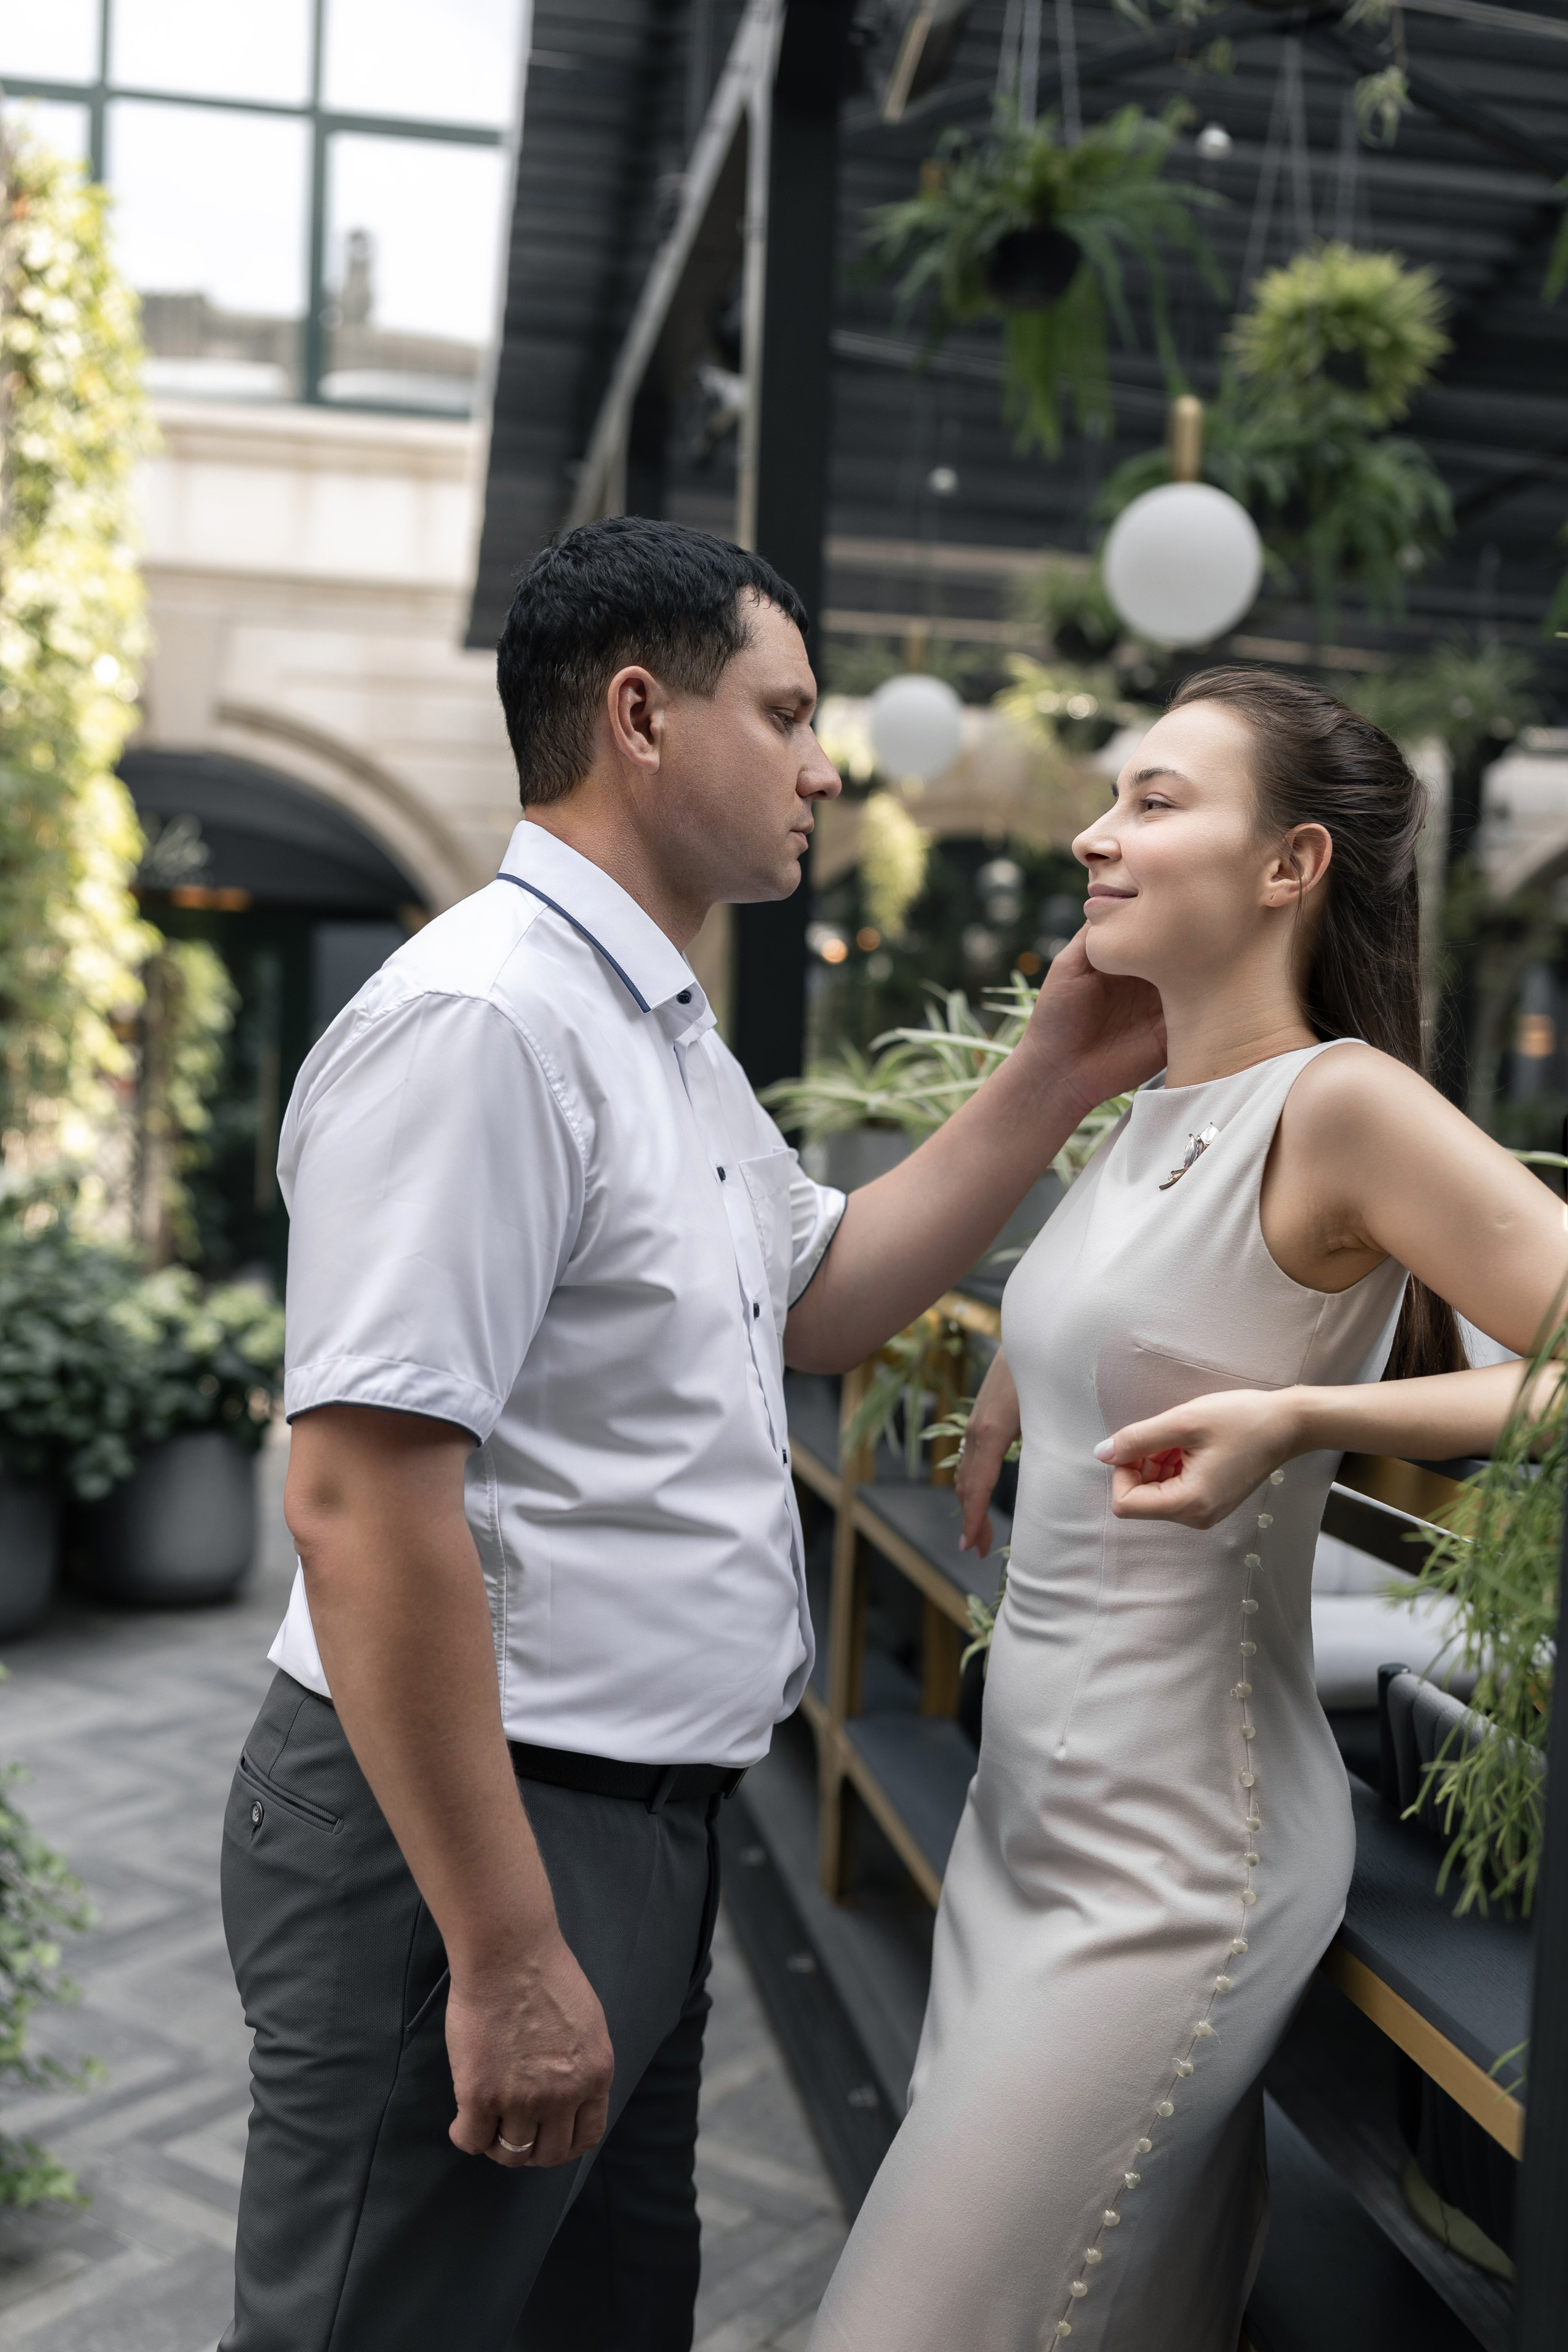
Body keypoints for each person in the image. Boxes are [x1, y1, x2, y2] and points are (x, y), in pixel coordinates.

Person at [218, 517, 1164, 2352]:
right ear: (641, 718)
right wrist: (506, 1950)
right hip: (474, 1841)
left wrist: (1055, 1072)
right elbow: (354, 1501)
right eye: (787, 713)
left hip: (632, 1830)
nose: (825, 766)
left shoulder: (649, 1020)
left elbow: (817, 1297)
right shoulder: (487, 1021)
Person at [807, 668, 1568, 2352]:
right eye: (1112, 798)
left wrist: (1308, 1414)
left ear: (1291, 865)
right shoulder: (1150, 1104)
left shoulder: (1341, 1101)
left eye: (1155, 801)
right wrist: (1027, 1370)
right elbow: (1164, 1308)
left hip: (1174, 1859)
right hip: (1027, 1821)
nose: (1097, 834)